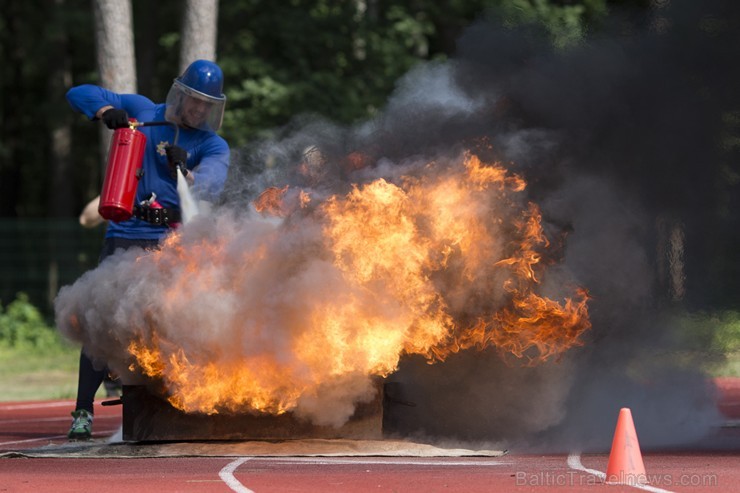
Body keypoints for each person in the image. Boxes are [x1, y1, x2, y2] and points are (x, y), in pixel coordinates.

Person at [64, 59, 230, 439]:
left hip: (169, 245)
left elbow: (210, 187)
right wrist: (107, 112)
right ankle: (82, 411)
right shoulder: (142, 111)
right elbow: (78, 93)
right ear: (181, 93)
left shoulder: (211, 143)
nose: (200, 110)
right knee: (97, 320)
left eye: (208, 105)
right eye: (195, 101)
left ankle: (169, 407)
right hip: (123, 234)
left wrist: (185, 171)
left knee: (168, 325)